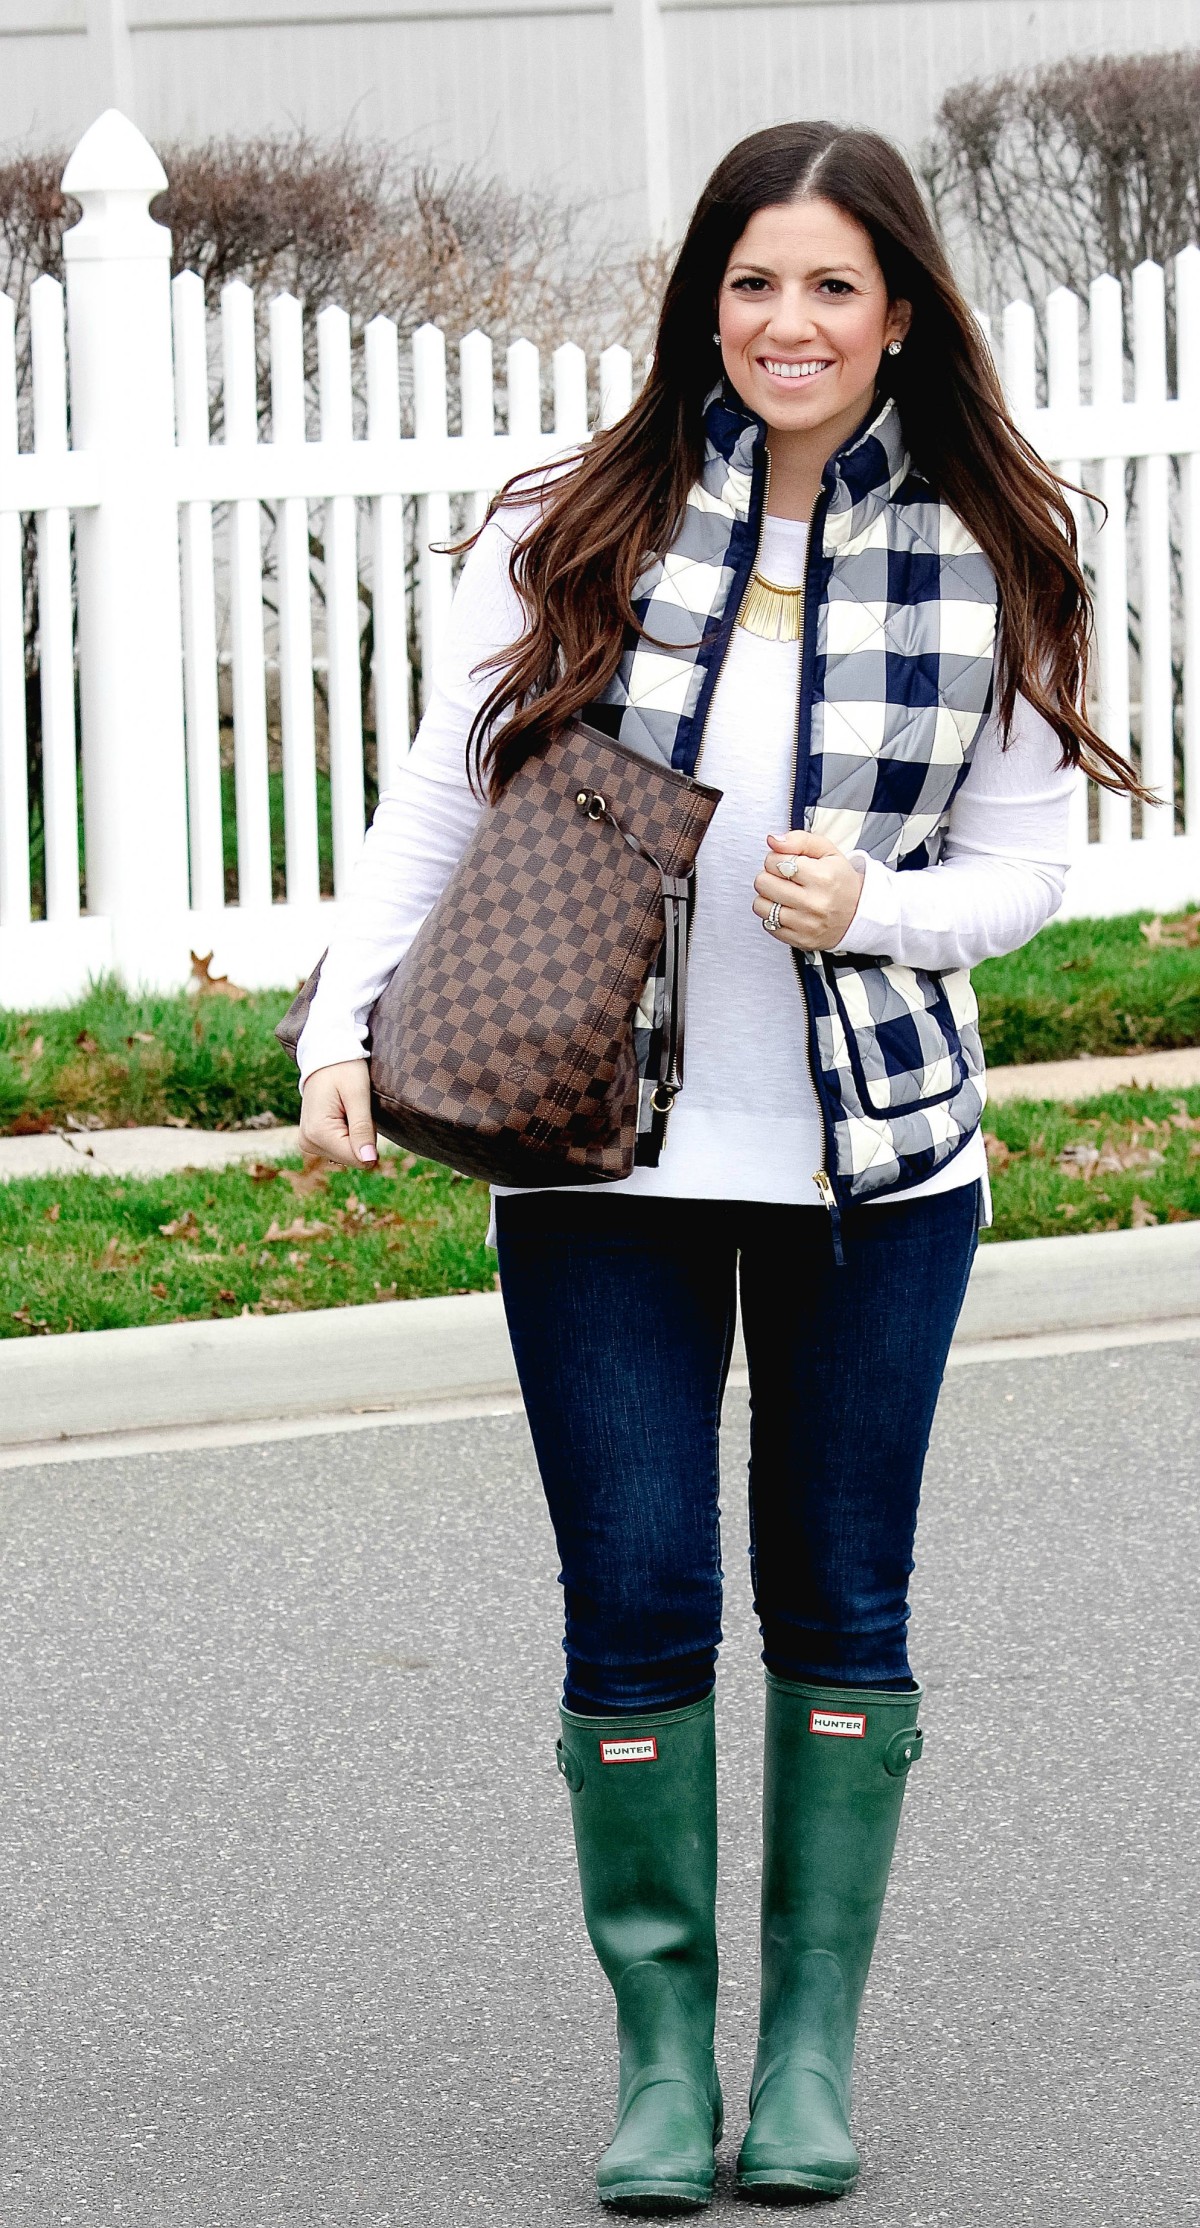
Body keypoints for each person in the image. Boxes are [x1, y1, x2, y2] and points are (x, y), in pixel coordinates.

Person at [296, 122, 1145, 2210]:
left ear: (901, 315)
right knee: (637, 1596)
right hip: (600, 1160)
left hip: (878, 1162)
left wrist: (881, 905)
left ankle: (811, 2050)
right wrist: (342, 1016)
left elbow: (1035, 864)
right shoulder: (566, 527)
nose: (789, 323)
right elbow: (442, 799)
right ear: (706, 303)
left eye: (833, 288)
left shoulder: (1000, 549)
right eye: (753, 283)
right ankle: (665, 2065)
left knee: (842, 1599)